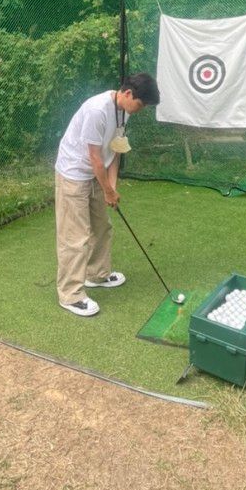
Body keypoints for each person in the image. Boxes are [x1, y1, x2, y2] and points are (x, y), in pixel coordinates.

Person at [54, 72, 160, 317]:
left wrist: (112, 188)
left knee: (102, 227)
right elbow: (94, 158)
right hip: (73, 174)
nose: (141, 109)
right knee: (75, 237)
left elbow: (116, 149)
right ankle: (71, 295)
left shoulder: (123, 111)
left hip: (96, 173)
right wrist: (107, 190)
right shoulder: (97, 110)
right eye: (141, 104)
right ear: (128, 93)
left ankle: (97, 275)